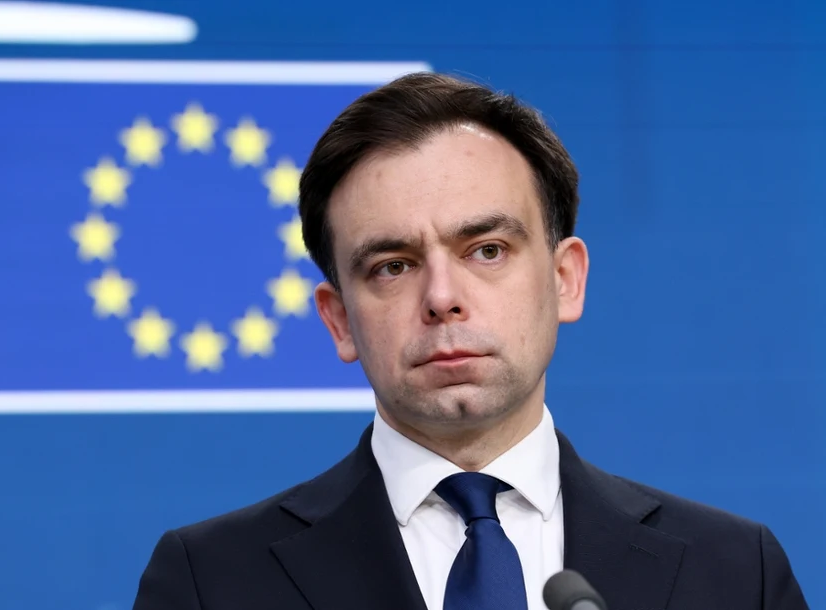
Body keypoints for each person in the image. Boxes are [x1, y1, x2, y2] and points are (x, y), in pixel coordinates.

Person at [131, 72, 808, 610]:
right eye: (392, 266)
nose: (441, 297)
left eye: (486, 250)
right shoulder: (211, 581)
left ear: (565, 280)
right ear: (338, 320)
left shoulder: (731, 573)